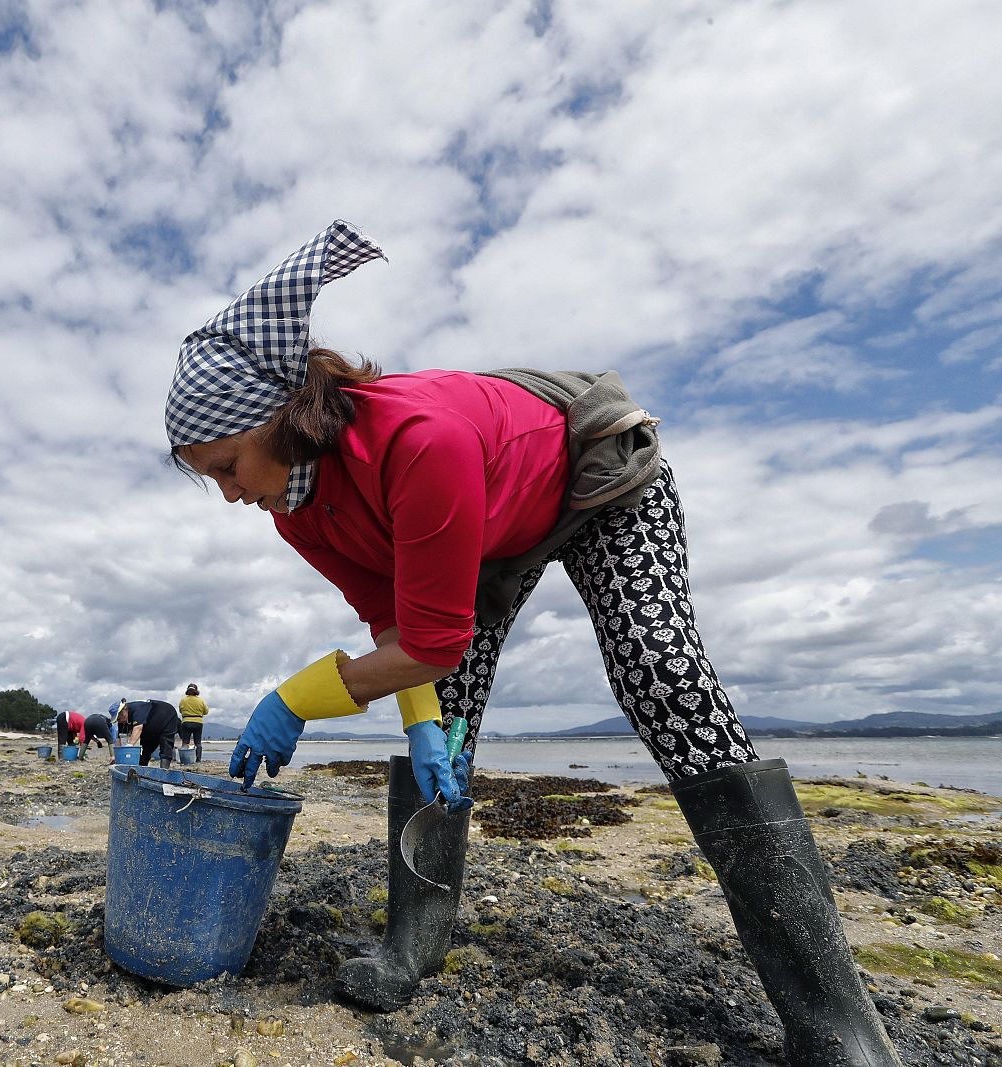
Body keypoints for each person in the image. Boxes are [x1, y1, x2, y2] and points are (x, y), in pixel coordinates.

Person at [164, 220, 899, 1064]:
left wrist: (294, 698)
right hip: (489, 541)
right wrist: (422, 723)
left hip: (600, 485)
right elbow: (400, 628)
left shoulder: (415, 440)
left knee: (663, 674)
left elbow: (433, 644)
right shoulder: (296, 506)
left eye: (226, 467)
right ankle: (413, 944)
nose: (226, 495)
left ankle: (834, 1019)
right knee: (453, 722)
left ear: (280, 418)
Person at [117, 698, 180, 769]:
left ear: (124, 711)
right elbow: (120, 737)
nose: (119, 721)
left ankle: (164, 771)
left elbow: (138, 728)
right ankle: (141, 770)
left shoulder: (136, 708)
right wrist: (117, 754)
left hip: (167, 714)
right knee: (146, 747)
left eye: (119, 719)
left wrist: (129, 745)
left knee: (166, 742)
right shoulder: (123, 720)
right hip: (150, 723)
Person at [177, 683, 208, 762]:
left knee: (185, 742)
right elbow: (206, 712)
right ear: (196, 691)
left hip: (186, 721)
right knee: (198, 742)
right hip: (198, 722)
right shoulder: (200, 700)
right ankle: (198, 759)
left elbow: (180, 710)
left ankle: (184, 759)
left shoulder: (183, 700)